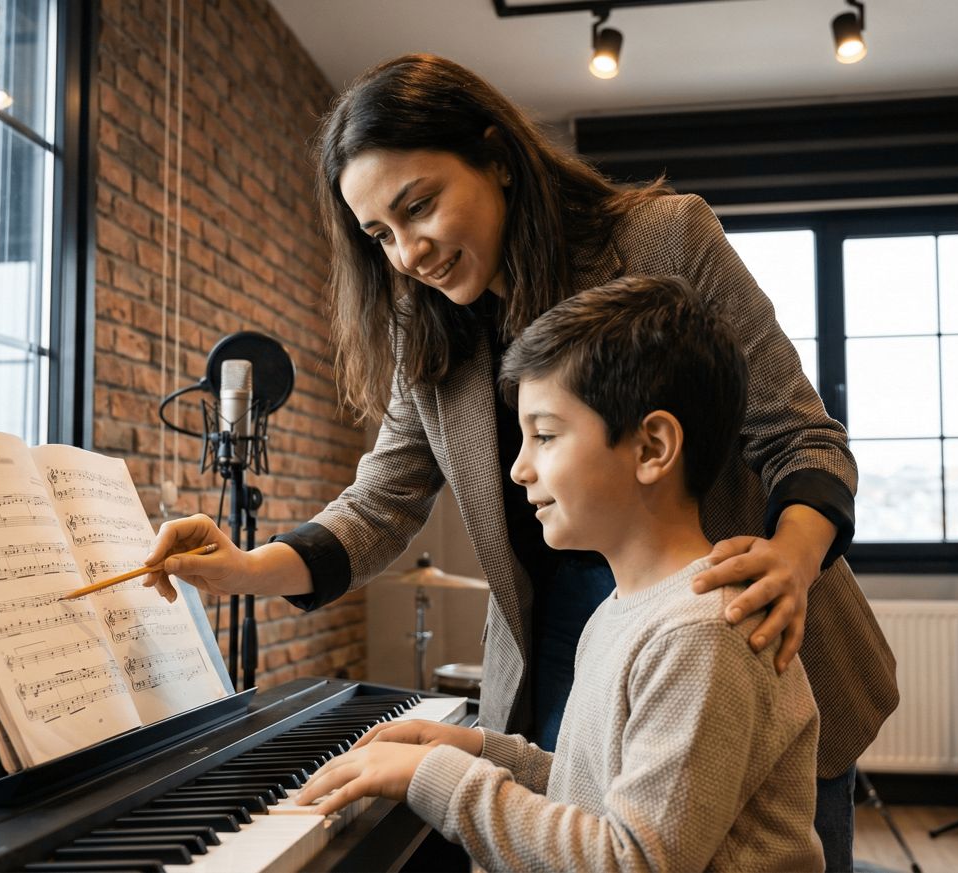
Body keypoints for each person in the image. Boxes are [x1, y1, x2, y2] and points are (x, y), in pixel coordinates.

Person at [143, 54, 896, 869]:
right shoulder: (425, 324)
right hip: (574, 634)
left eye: (419, 206)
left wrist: (790, 560)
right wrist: (246, 567)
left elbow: (802, 437)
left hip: (733, 614)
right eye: (380, 234)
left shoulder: (663, 237)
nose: (408, 253)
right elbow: (380, 503)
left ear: (497, 157)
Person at [289, 275, 824, 871]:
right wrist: (480, 750)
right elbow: (592, 789)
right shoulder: (624, 611)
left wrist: (436, 776)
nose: (519, 469)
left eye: (544, 435)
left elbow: (632, 860)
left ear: (652, 448)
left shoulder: (700, 634)